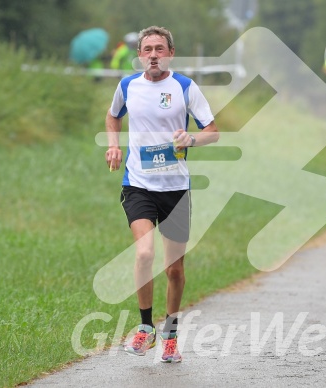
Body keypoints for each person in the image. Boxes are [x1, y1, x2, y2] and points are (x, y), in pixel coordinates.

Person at [105, 26, 219, 363]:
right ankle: (145, 328)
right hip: (138, 184)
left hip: (175, 189)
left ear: (170, 53)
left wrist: (192, 140)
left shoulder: (185, 87)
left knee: (174, 270)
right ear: (139, 55)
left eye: (159, 48)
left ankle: (170, 334)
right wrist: (113, 145)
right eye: (147, 49)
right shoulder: (128, 86)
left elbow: (212, 132)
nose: (153, 54)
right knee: (143, 254)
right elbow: (112, 117)